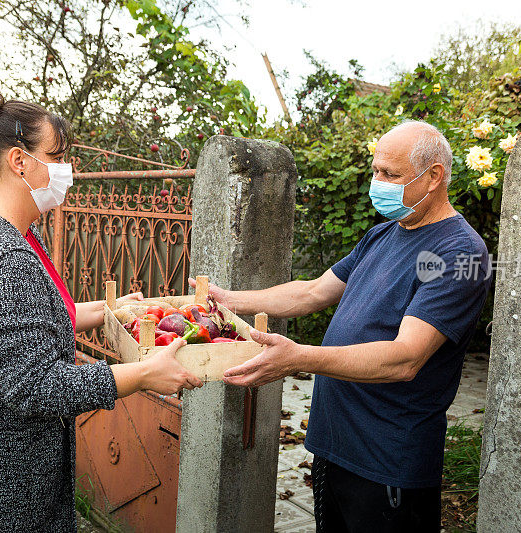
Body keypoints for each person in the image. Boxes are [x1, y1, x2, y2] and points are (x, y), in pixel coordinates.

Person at [0, 87, 203, 531]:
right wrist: (144, 375)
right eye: (56, 157)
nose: (66, 170)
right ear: (20, 162)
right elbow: (32, 384)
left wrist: (107, 311)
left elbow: (25, 323)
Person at [192, 121, 491, 532]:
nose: (378, 182)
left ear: (434, 176)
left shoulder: (458, 252)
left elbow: (405, 358)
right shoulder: (382, 235)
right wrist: (230, 300)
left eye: (391, 174)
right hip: (335, 444)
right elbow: (313, 292)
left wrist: (299, 358)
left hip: (387, 460)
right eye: (376, 171)